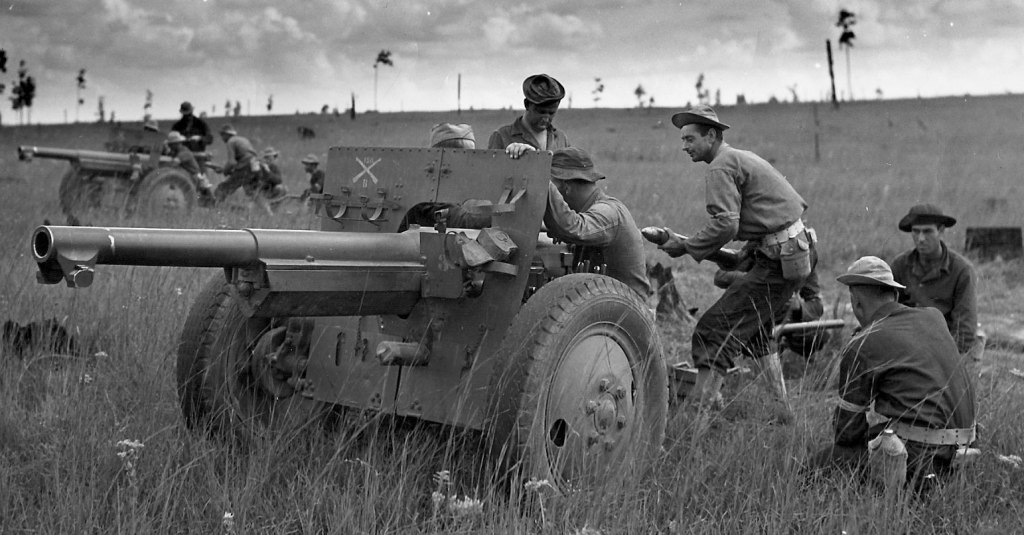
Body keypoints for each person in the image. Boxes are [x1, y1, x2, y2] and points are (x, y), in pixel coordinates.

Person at [656, 105, 813, 419]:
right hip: (790, 251)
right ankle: (783, 413)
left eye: (690, 139)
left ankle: (697, 422)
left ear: (711, 136)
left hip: (778, 261)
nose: (684, 146)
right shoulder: (740, 157)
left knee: (713, 330)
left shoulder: (720, 167)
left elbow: (726, 224)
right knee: (755, 331)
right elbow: (776, 212)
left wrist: (685, 246)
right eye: (682, 139)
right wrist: (739, 253)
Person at [810, 256, 976, 490]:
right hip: (964, 454)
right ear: (896, 295)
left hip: (918, 463)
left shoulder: (863, 343)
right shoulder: (934, 317)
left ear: (857, 304)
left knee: (813, 469)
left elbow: (847, 434)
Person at [543, 147, 650, 297]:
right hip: (605, 301)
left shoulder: (609, 213)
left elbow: (574, 228)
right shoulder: (590, 212)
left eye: (553, 187)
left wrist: (541, 179)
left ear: (566, 187)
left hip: (622, 307)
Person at [889, 203, 983, 363]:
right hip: (907, 342)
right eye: (916, 231)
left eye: (927, 231)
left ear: (941, 231)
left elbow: (965, 329)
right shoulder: (900, 265)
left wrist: (940, 360)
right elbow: (888, 311)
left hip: (947, 345)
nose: (921, 239)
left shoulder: (962, 270)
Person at [713, 268, 831, 358]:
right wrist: (759, 282)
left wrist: (799, 306)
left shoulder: (802, 261)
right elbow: (721, 276)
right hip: (751, 315)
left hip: (783, 317)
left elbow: (817, 306)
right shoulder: (758, 251)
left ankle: (782, 346)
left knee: (818, 336)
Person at [488, 74, 570, 158]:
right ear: (526, 104)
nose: (545, 119)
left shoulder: (561, 138)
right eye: (541, 112)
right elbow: (490, 165)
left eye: (551, 113)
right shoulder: (502, 136)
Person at [213, 124, 261, 206]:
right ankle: (267, 211)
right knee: (252, 192)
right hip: (255, 166)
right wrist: (226, 169)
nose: (222, 138)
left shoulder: (231, 141)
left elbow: (232, 162)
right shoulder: (243, 139)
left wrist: (225, 171)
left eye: (222, 135)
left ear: (227, 134)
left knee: (222, 189)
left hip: (245, 167)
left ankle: (216, 208)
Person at [166, 131, 213, 198]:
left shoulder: (183, 153)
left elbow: (173, 164)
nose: (169, 147)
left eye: (170, 145)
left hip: (193, 177)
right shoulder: (179, 151)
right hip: (191, 175)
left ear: (176, 144)